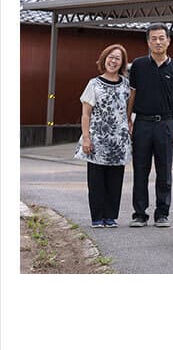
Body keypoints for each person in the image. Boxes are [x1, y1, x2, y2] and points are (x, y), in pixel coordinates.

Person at [126, 23, 173, 228]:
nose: (158, 42)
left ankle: (162, 213)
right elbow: (132, 94)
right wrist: (128, 119)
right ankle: (139, 214)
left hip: (166, 124)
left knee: (164, 171)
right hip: (142, 123)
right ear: (148, 42)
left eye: (162, 38)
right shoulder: (138, 65)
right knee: (140, 170)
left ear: (168, 40)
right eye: (154, 38)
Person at [75, 45, 131, 228]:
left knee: (115, 181)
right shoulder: (94, 83)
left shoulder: (126, 85)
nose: (113, 61)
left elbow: (128, 111)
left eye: (117, 58)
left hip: (118, 140)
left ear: (122, 63)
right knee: (97, 181)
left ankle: (110, 216)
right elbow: (86, 114)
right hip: (97, 139)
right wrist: (86, 137)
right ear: (104, 58)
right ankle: (97, 217)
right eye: (110, 57)